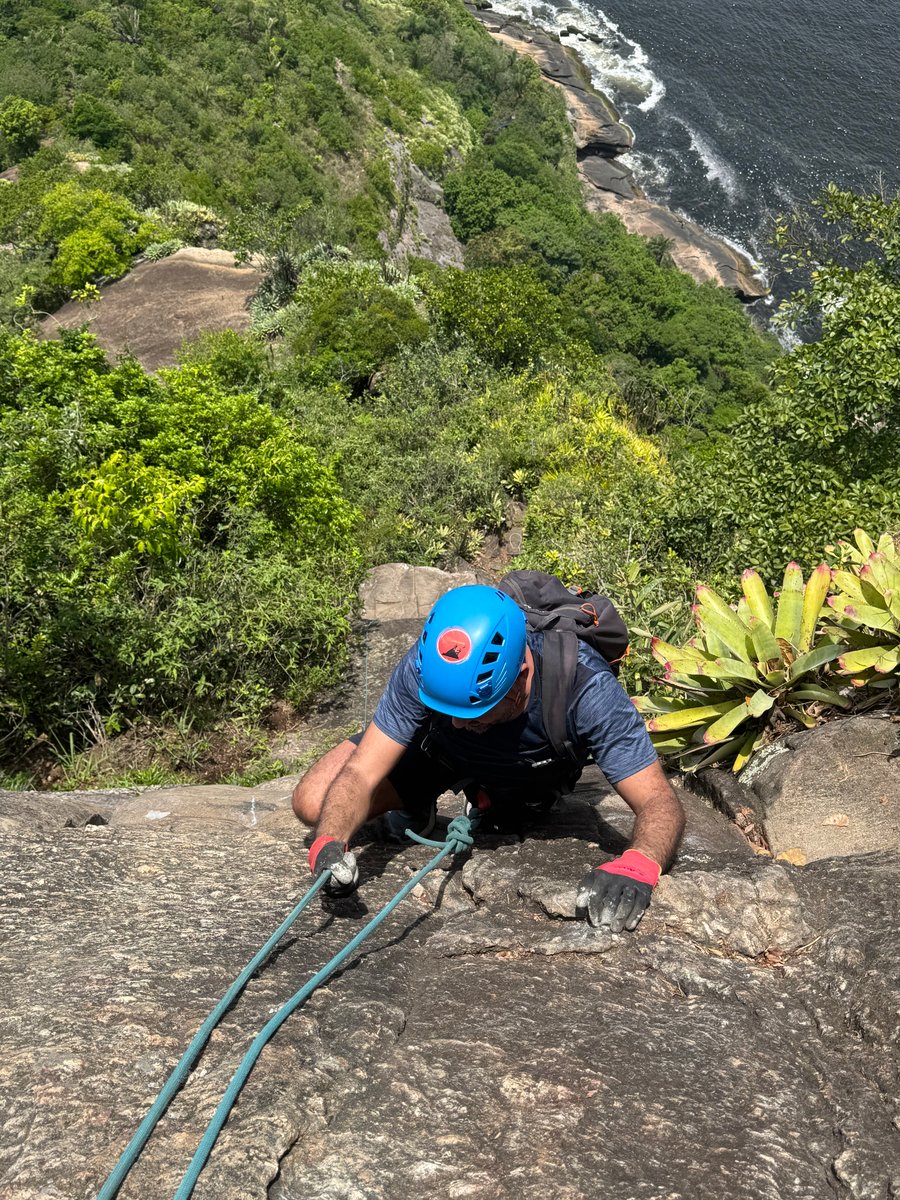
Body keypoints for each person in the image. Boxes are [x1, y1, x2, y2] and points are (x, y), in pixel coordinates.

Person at [292, 584, 685, 933]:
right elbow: (361, 771)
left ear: (521, 675)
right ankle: (418, 802)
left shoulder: (586, 688)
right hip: (439, 756)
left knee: (506, 804)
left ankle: (477, 795)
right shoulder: (429, 665)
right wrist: (331, 840)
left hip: (521, 773)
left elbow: (657, 800)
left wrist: (638, 865)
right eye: (449, 711)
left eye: (474, 713)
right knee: (313, 803)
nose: (458, 724)